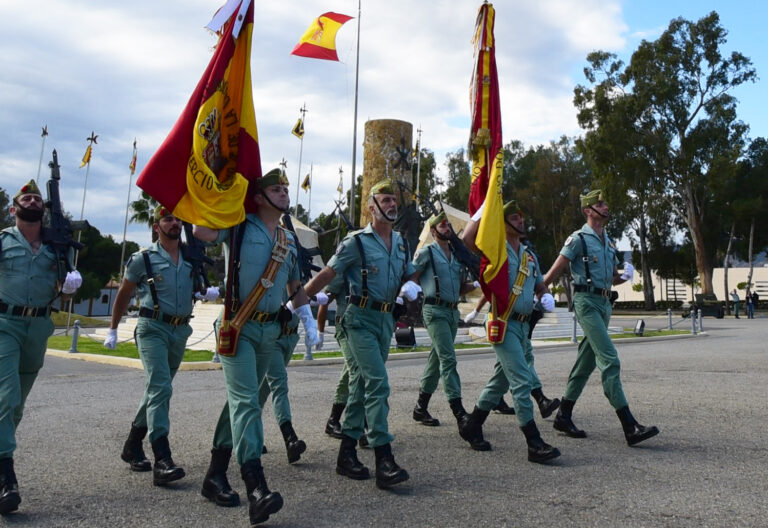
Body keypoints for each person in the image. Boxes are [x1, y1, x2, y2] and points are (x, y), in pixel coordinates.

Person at [194, 168, 319, 525]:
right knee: (247, 401)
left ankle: (215, 474)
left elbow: (295, 284)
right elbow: (201, 232)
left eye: (285, 189)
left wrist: (307, 317)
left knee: (245, 401)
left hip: (270, 331)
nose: (283, 193)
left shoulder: (287, 238)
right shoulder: (238, 225)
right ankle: (256, 487)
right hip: (239, 326)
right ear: (260, 196)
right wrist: (215, 198)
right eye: (276, 189)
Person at [304, 179, 419, 490]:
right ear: (371, 207)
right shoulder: (355, 242)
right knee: (378, 383)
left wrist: (411, 283)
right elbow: (328, 273)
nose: (392, 204)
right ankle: (384, 458)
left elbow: (408, 270)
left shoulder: (401, 242)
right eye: (385, 199)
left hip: (384, 321)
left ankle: (346, 455)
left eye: (394, 200)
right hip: (357, 320)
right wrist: (298, 301)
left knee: (360, 386)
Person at [107, 206, 217, 486]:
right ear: (157, 226)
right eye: (168, 219)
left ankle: (132, 445)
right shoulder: (142, 258)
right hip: (152, 327)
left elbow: (197, 287)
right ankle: (162, 459)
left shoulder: (191, 257)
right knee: (161, 388)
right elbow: (124, 293)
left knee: (157, 389)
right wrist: (113, 328)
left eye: (178, 219)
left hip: (180, 330)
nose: (175, 223)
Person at [542, 189, 659, 446]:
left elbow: (610, 278)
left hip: (605, 303)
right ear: (588, 211)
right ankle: (630, 426)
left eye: (605, 203)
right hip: (586, 303)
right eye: (600, 204)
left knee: (586, 361)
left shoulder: (607, 241)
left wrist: (624, 276)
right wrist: (539, 293)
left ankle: (564, 414)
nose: (606, 207)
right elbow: (552, 272)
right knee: (609, 359)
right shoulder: (577, 240)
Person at [0, 180, 82, 514]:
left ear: (43, 209)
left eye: (36, 197)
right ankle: (6, 476)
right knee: (6, 396)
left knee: (16, 406)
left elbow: (64, 289)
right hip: (5, 323)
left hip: (39, 326)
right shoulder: (3, 242)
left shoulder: (58, 246)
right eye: (26, 197)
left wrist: (70, 287)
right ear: (13, 208)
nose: (32, 200)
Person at [458, 201, 560, 463]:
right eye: (515, 218)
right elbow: (468, 239)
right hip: (503, 323)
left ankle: (472, 424)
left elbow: (539, 286)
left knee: (500, 382)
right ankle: (534, 442)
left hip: (525, 325)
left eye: (522, 217)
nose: (521, 222)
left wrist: (546, 296)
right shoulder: (495, 250)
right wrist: (483, 210)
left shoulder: (529, 256)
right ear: (503, 223)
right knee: (521, 381)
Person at [407, 212, 477, 429]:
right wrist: (410, 289)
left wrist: (477, 284)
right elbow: (412, 277)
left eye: (448, 225)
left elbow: (461, 287)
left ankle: (420, 408)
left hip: (452, 311)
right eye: (443, 226)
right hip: (434, 310)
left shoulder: (457, 256)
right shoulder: (427, 252)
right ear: (434, 230)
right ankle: (459, 412)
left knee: (436, 361)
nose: (447, 228)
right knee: (448, 359)